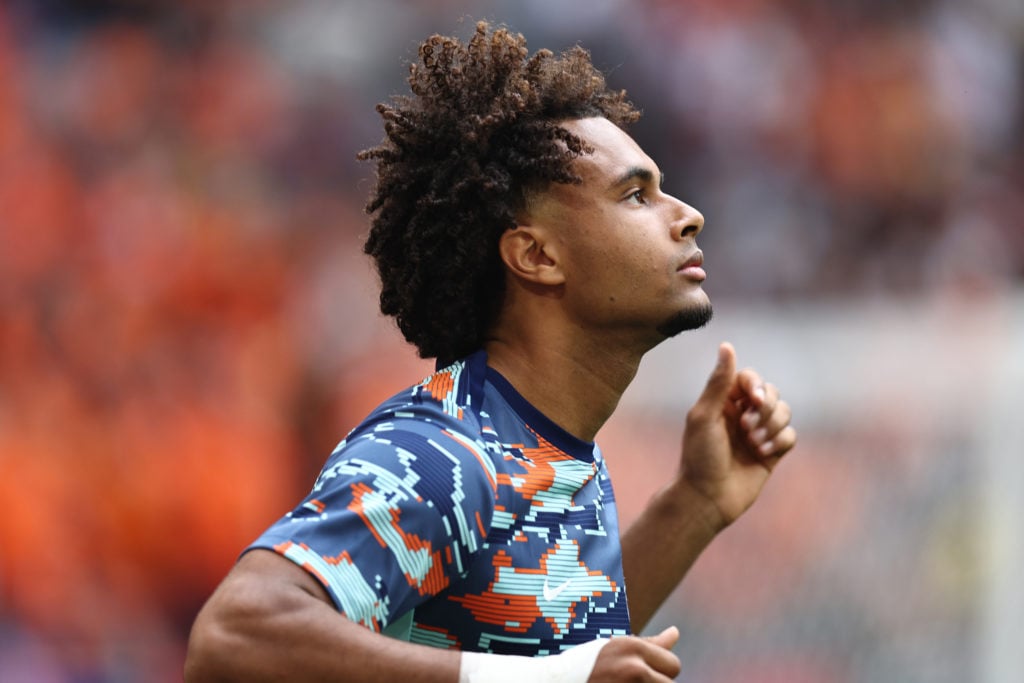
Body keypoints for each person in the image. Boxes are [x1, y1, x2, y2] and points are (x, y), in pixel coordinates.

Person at [185, 21, 796, 683]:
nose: (687, 214)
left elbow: (540, 649)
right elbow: (234, 634)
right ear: (537, 255)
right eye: (635, 195)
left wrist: (695, 503)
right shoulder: (444, 455)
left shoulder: (549, 448)